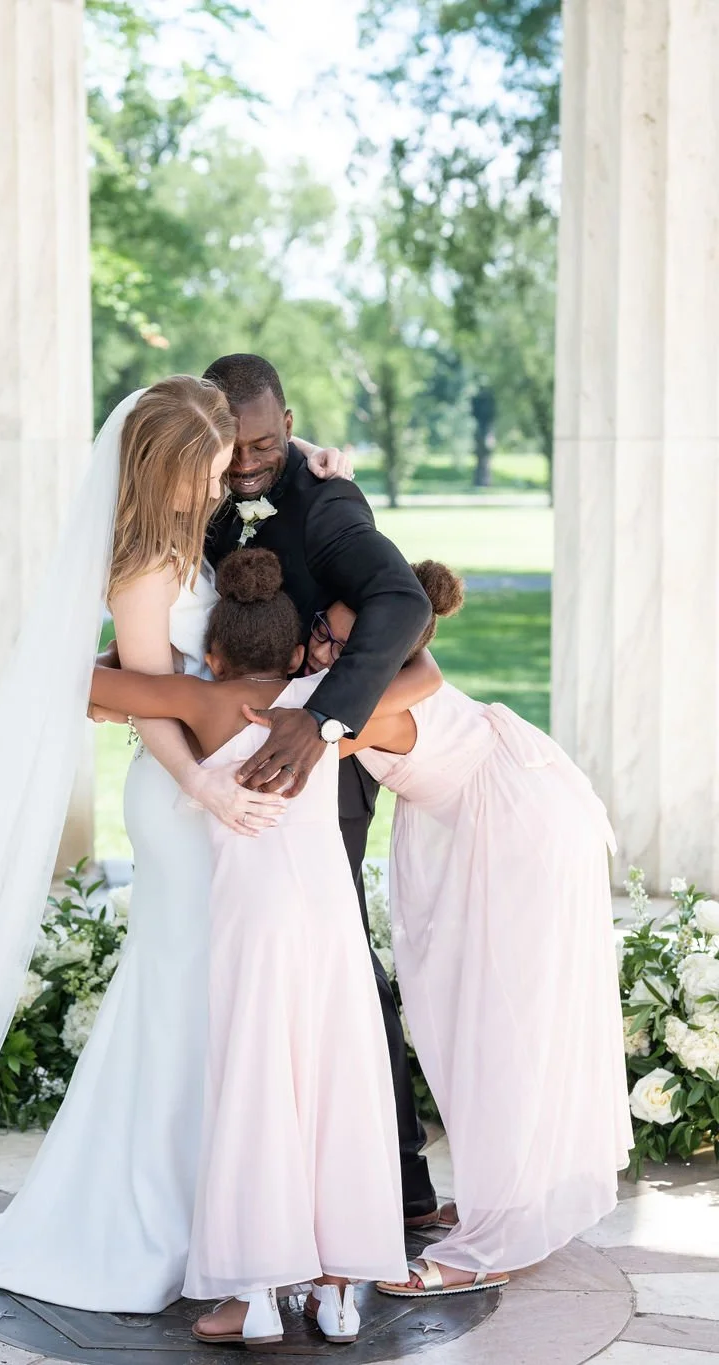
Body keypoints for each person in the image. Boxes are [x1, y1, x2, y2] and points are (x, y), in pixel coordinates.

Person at [0, 377, 353, 1310]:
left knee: (219, 1000)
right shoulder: (143, 566)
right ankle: (166, 1217)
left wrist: (318, 464)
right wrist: (203, 786)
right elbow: (150, 706)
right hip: (182, 798)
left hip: (220, 792)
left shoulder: (198, 533)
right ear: (170, 471)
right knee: (186, 997)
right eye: (213, 469)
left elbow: (268, 473)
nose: (228, 482)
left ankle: (231, 1215)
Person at [88, 549, 443, 1346]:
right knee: (337, 1089)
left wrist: (148, 669)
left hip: (254, 934)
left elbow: (90, 686)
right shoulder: (322, 717)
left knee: (256, 1093)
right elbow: (426, 674)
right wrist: (335, 680)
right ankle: (339, 1293)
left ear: (213, 652)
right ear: (295, 651)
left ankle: (252, 1296)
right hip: (330, 930)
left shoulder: (203, 703)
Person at [302, 567, 633, 1299]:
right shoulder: (392, 680)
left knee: (501, 1021)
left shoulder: (371, 708)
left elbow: (263, 729)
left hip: (518, 831)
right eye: (318, 626)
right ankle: (504, 1197)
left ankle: (496, 1239)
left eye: (329, 635)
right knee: (477, 1018)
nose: (314, 641)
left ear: (376, 653)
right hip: (494, 813)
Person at [202, 353, 439, 1225]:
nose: (248, 463)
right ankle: (261, 1174)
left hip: (318, 763)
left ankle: (399, 1183)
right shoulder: (192, 490)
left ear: (290, 423)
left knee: (338, 956)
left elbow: (401, 602)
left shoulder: (328, 499)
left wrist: (326, 720)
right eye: (233, 447)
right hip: (220, 758)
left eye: (264, 443)